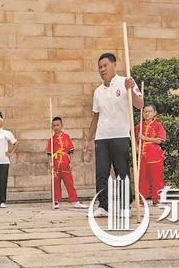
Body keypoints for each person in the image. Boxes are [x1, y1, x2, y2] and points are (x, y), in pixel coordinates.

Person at [83, 53, 144, 217]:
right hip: (102, 137)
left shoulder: (126, 82)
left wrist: (131, 90)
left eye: (105, 65)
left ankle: (125, 206)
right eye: (100, 67)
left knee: (122, 172)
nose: (102, 69)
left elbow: (140, 105)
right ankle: (104, 206)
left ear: (114, 65)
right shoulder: (98, 91)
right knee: (101, 173)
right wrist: (88, 139)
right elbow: (95, 116)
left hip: (120, 135)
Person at [46, 116, 87, 209]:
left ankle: (75, 201)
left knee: (69, 182)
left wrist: (71, 162)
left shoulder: (66, 137)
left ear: (62, 125)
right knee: (55, 183)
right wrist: (50, 163)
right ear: (52, 127)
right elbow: (49, 153)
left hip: (65, 162)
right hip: (56, 164)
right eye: (54, 126)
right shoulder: (51, 140)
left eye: (57, 125)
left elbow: (71, 151)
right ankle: (56, 201)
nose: (56, 127)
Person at [135, 105, 166, 206]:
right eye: (145, 112)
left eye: (149, 111)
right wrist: (136, 148)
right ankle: (142, 199)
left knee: (157, 178)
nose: (147, 113)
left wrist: (145, 138)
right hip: (142, 156)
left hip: (155, 155)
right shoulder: (139, 126)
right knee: (142, 178)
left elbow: (159, 140)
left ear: (154, 113)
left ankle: (157, 199)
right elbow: (134, 139)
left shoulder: (158, 125)